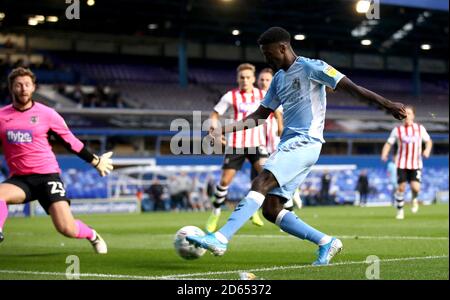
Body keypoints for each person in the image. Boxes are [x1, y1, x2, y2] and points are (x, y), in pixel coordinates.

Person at [187, 27, 406, 265]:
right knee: (271, 209)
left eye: (268, 53)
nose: (266, 59)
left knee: (261, 181)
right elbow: (260, 116)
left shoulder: (313, 67)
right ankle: (326, 242)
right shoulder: (278, 79)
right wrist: (223, 129)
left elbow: (353, 89)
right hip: (289, 144)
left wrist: (388, 105)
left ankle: (221, 237)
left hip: (307, 141)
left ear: (282, 47)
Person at [0, 67, 113, 252]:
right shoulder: (1, 116)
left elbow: (70, 141)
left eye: (27, 85)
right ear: (11, 87)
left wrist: (96, 161)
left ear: (34, 88)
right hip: (20, 180)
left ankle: (92, 235)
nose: (23, 89)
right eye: (18, 85)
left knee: (66, 229)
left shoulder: (48, 114)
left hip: (47, 177)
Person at [205, 63, 267, 232]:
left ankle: (253, 210)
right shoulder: (230, 96)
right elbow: (215, 114)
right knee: (225, 181)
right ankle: (215, 213)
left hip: (257, 143)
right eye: (242, 77)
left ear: (253, 79)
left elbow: (276, 111)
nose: (245, 80)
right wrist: (215, 129)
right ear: (237, 79)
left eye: (248, 77)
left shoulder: (263, 94)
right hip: (236, 143)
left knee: (265, 177)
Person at [381, 105, 432, 219]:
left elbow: (428, 141)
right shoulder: (397, 130)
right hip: (402, 163)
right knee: (401, 187)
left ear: (413, 115)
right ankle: (400, 211)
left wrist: (427, 150)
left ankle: (414, 198)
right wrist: (384, 153)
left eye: (409, 113)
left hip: (416, 163)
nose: (407, 116)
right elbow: (389, 143)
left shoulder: (420, 128)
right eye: (405, 113)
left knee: (416, 188)